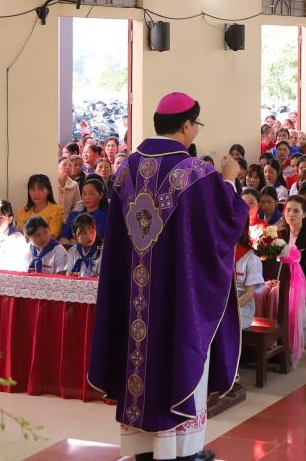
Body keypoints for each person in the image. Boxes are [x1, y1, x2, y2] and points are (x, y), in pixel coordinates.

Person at [89, 92, 249, 461]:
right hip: (176, 300)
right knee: (177, 357)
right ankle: (182, 451)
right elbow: (226, 225)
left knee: (140, 362)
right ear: (187, 125)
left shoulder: (126, 170)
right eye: (197, 125)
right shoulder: (195, 174)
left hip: (135, 300)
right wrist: (228, 180)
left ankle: (144, 448)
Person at [16, 174, 65, 239]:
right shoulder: (23, 212)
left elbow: (53, 236)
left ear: (48, 191)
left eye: (41, 189)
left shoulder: (56, 210)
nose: (36, 194)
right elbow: (19, 234)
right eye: (33, 189)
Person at [61, 177, 109, 242]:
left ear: (101, 195)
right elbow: (63, 239)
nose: (86, 197)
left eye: (91, 193)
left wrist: (74, 241)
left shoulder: (104, 216)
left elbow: (95, 240)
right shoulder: (73, 215)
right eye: (84, 193)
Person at [234, 229, 263, 330]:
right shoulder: (220, 254)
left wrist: (230, 309)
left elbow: (249, 294)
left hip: (241, 306)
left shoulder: (251, 257)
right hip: (221, 303)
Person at [66, 213, 102, 277]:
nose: (89, 236)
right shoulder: (72, 252)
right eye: (84, 233)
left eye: (92, 231)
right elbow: (68, 274)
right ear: (74, 236)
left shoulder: (102, 252)